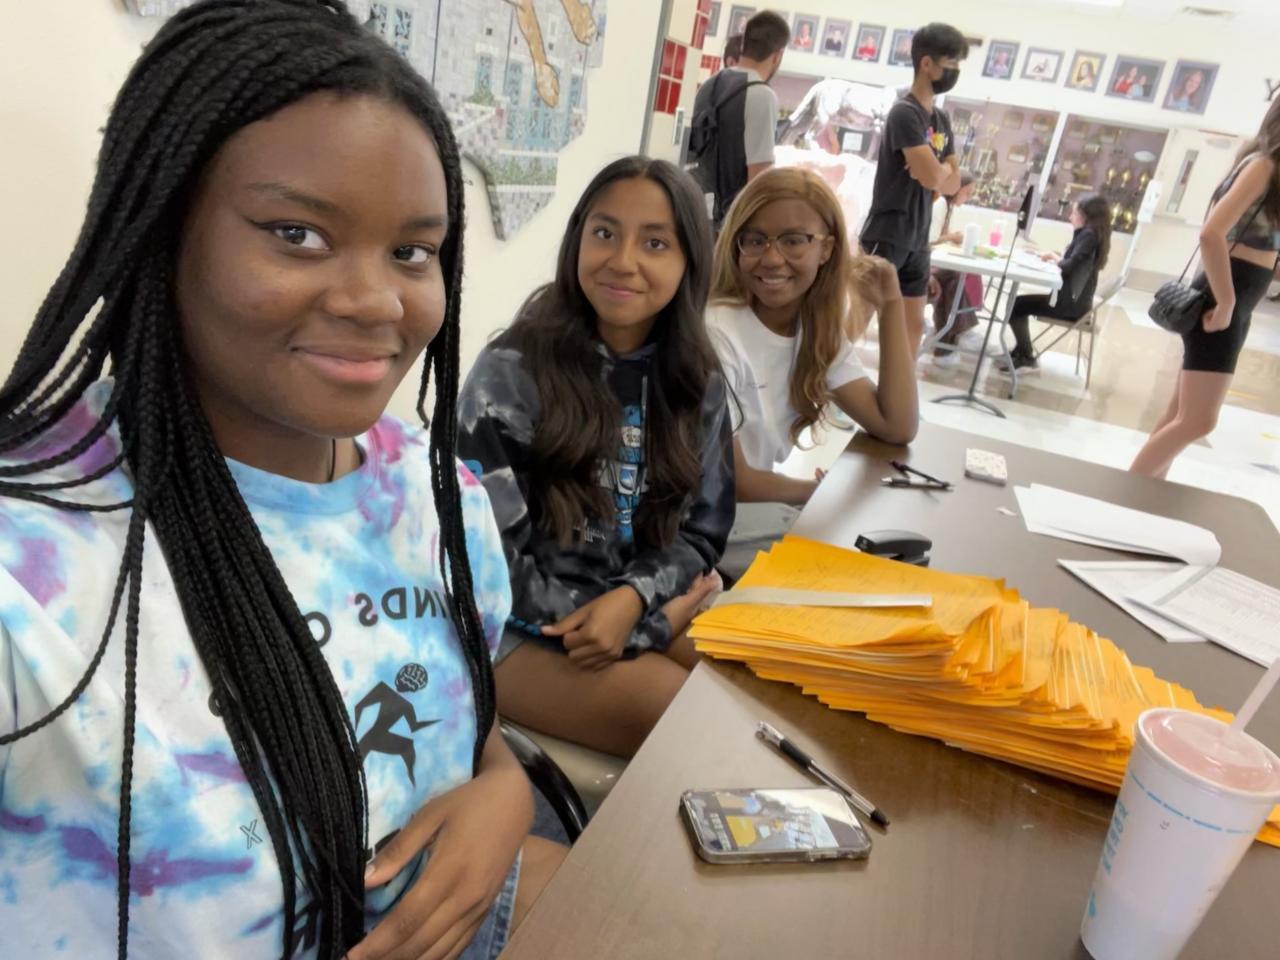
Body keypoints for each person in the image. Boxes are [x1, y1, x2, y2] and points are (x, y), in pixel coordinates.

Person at [0, 2, 567, 958]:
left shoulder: (439, 503)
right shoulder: (33, 559)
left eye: (411, 251)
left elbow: (475, 736)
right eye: (297, 234)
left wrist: (505, 795)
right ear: (161, 230)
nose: (376, 301)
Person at [456, 157, 734, 759]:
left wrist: (634, 601)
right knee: (700, 732)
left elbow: (702, 531)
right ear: (577, 238)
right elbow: (484, 559)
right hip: (511, 624)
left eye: (655, 242)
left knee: (756, 692)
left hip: (633, 602)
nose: (622, 260)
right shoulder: (510, 372)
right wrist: (653, 623)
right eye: (605, 232)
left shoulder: (694, 376)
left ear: (689, 260)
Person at [707, 168, 918, 575]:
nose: (772, 258)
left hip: (742, 512)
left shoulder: (816, 333)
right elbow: (735, 481)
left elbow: (897, 425)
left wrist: (891, 306)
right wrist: (813, 491)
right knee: (849, 553)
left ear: (826, 248)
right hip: (702, 517)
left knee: (875, 548)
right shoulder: (718, 330)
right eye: (755, 240)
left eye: (793, 240)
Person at [1131, 99, 1280, 478]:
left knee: (1180, 415)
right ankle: (1126, 493)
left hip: (1236, 299)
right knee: (1198, 421)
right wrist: (1227, 302)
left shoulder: (1265, 167)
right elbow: (1211, 233)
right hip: (1225, 296)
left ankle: (1143, 493)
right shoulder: (1262, 165)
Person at [859, 22, 968, 357]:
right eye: (951, 64)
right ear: (927, 63)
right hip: (888, 233)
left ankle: (897, 388)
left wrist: (936, 169)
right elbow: (936, 178)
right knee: (857, 319)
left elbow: (951, 184)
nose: (955, 71)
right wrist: (939, 170)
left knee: (912, 327)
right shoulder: (904, 114)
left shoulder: (941, 119)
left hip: (919, 239)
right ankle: (821, 381)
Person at [688, 11, 790, 227]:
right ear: (777, 56)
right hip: (727, 223)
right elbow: (759, 179)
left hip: (692, 209)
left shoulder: (710, 84)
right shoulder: (761, 95)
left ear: (744, 44)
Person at [1003, 194, 1112, 371]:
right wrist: (1057, 256)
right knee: (1019, 303)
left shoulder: (1088, 236)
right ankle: (1022, 351)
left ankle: (1026, 355)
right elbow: (1077, 261)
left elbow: (1069, 267)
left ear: (1086, 216)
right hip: (1077, 303)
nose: (1070, 217)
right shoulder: (1093, 235)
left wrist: (1054, 257)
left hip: (1071, 306)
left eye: (1074, 213)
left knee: (1017, 305)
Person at [926, 173, 984, 365]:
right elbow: (930, 239)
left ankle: (946, 345)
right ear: (956, 188)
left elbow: (936, 235)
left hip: (927, 261)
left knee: (953, 281)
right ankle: (958, 333)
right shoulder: (940, 204)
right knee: (952, 279)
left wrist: (950, 236)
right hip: (922, 263)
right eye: (967, 192)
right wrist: (951, 237)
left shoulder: (946, 206)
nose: (968, 197)